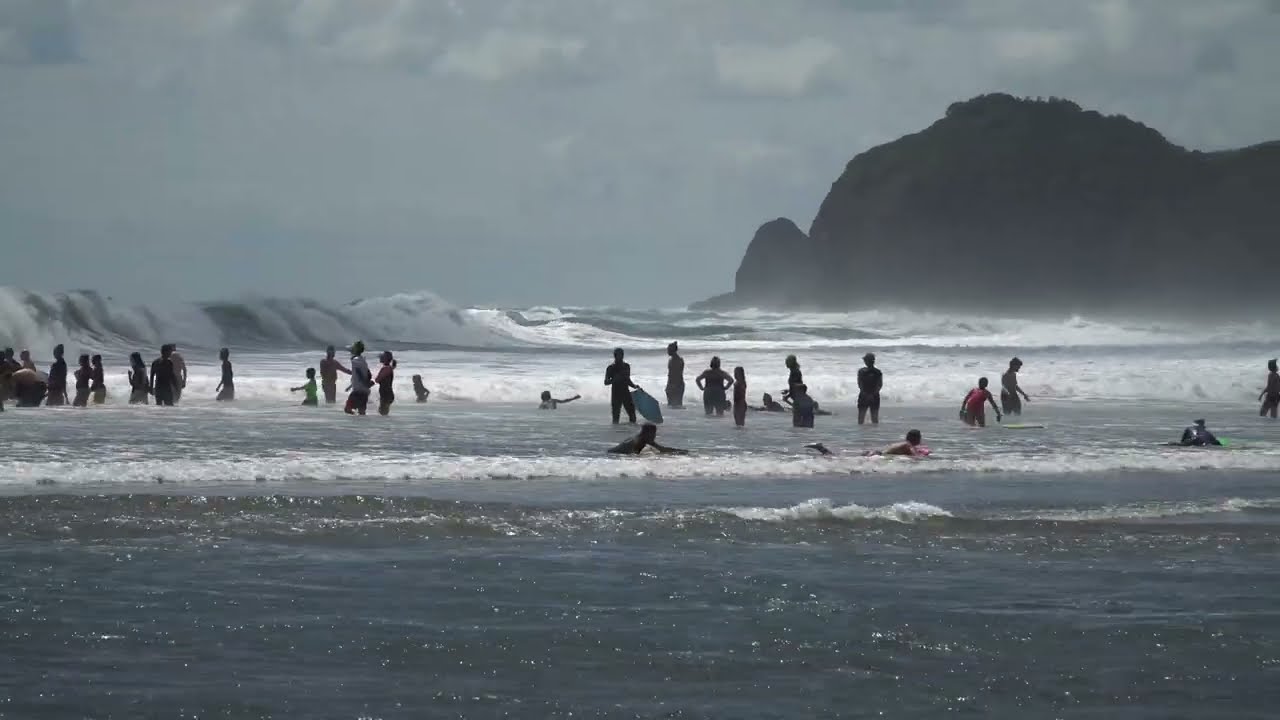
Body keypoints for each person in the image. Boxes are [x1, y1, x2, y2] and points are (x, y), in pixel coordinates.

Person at [807, 430, 928, 458]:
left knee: (838, 457)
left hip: (874, 453)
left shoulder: (903, 443)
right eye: (920, 438)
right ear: (915, 438)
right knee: (835, 458)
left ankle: (821, 448)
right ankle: (820, 448)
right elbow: (915, 457)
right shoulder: (908, 445)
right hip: (875, 456)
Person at [604, 348, 638, 424]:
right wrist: (614, 379)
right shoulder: (611, 368)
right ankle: (616, 434)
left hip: (626, 393)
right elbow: (606, 382)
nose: (620, 357)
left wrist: (634, 386)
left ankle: (631, 431)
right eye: (618, 355)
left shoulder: (626, 366)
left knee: (632, 416)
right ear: (615, 356)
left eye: (621, 355)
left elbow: (628, 380)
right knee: (616, 418)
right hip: (616, 394)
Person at [608, 422, 688, 455]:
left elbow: (662, 449)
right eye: (654, 434)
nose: (655, 436)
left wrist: (680, 451)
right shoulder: (637, 441)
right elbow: (631, 455)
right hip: (612, 454)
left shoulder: (645, 439)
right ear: (647, 433)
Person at [344, 341, 373, 416]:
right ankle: (361, 425)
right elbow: (368, 374)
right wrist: (350, 386)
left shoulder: (355, 361)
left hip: (358, 391)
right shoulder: (363, 360)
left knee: (347, 409)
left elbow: (359, 373)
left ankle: (355, 422)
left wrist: (365, 383)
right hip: (364, 391)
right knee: (362, 413)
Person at [857, 353, 883, 425]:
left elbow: (860, 384)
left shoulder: (861, 371)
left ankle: (861, 434)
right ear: (873, 361)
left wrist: (866, 394)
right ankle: (874, 434)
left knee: (861, 419)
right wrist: (872, 394)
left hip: (863, 396)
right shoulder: (878, 372)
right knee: (875, 419)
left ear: (866, 361)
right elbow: (880, 385)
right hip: (875, 396)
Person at [375, 350, 396, 416]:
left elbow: (377, 380)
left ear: (386, 359)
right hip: (387, 394)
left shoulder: (386, 368)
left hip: (386, 395)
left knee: (382, 413)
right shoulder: (388, 368)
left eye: (382, 356)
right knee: (383, 414)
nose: (380, 357)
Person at [665, 342, 685, 408]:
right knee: (672, 406)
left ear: (672, 350)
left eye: (668, 349)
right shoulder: (671, 360)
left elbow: (677, 375)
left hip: (677, 385)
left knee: (676, 406)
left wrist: (673, 386)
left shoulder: (678, 361)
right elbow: (670, 374)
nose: (667, 351)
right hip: (672, 384)